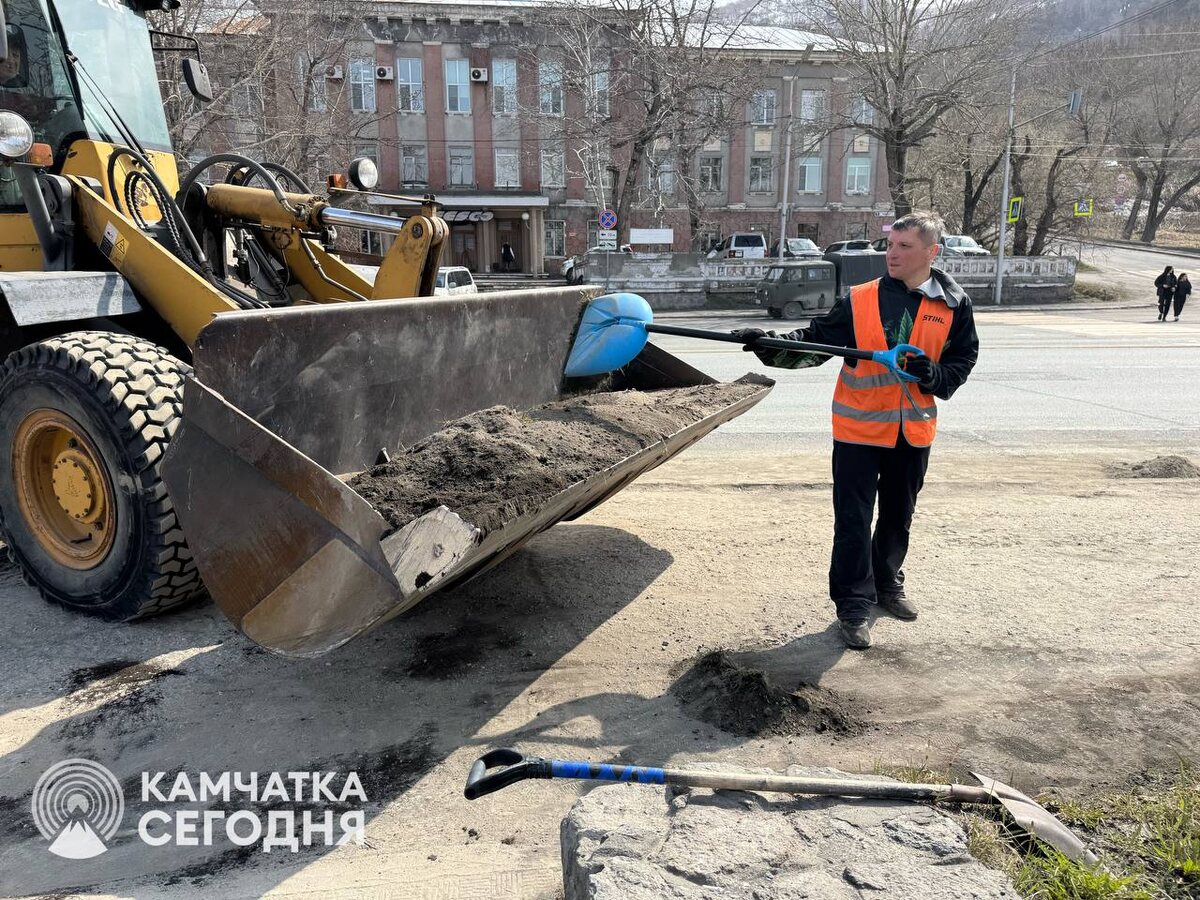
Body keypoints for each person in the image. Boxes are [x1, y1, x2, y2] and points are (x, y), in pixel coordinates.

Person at [734, 211, 978, 650]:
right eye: (890, 245)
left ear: (932, 252)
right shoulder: (861, 299)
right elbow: (814, 344)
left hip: (913, 434)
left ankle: (887, 586)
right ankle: (852, 604)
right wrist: (767, 343)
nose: (893, 254)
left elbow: (962, 362)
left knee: (898, 517)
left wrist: (933, 375)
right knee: (853, 521)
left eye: (905, 247)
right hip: (858, 433)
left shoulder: (953, 304)